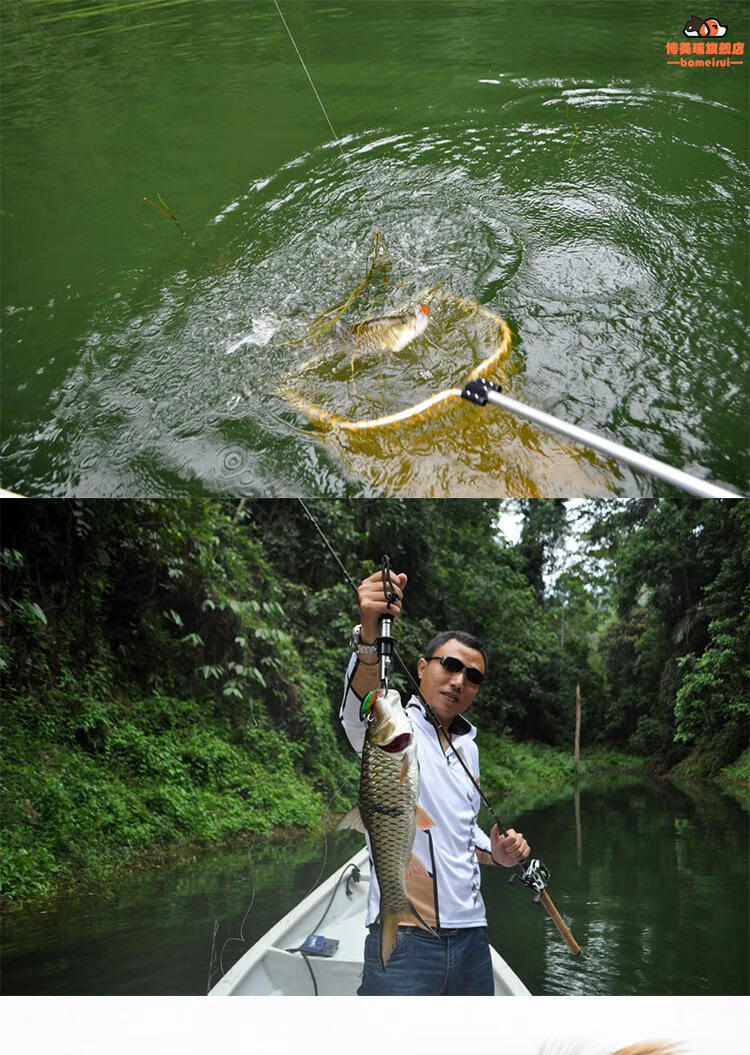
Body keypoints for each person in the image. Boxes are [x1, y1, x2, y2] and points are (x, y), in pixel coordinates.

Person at [340, 568, 530, 996]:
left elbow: (463, 832)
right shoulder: (393, 725)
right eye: (450, 665)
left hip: (472, 938)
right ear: (423, 668)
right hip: (406, 938)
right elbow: (358, 712)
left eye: (473, 676)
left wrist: (497, 854)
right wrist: (370, 638)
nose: (460, 680)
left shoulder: (471, 748)